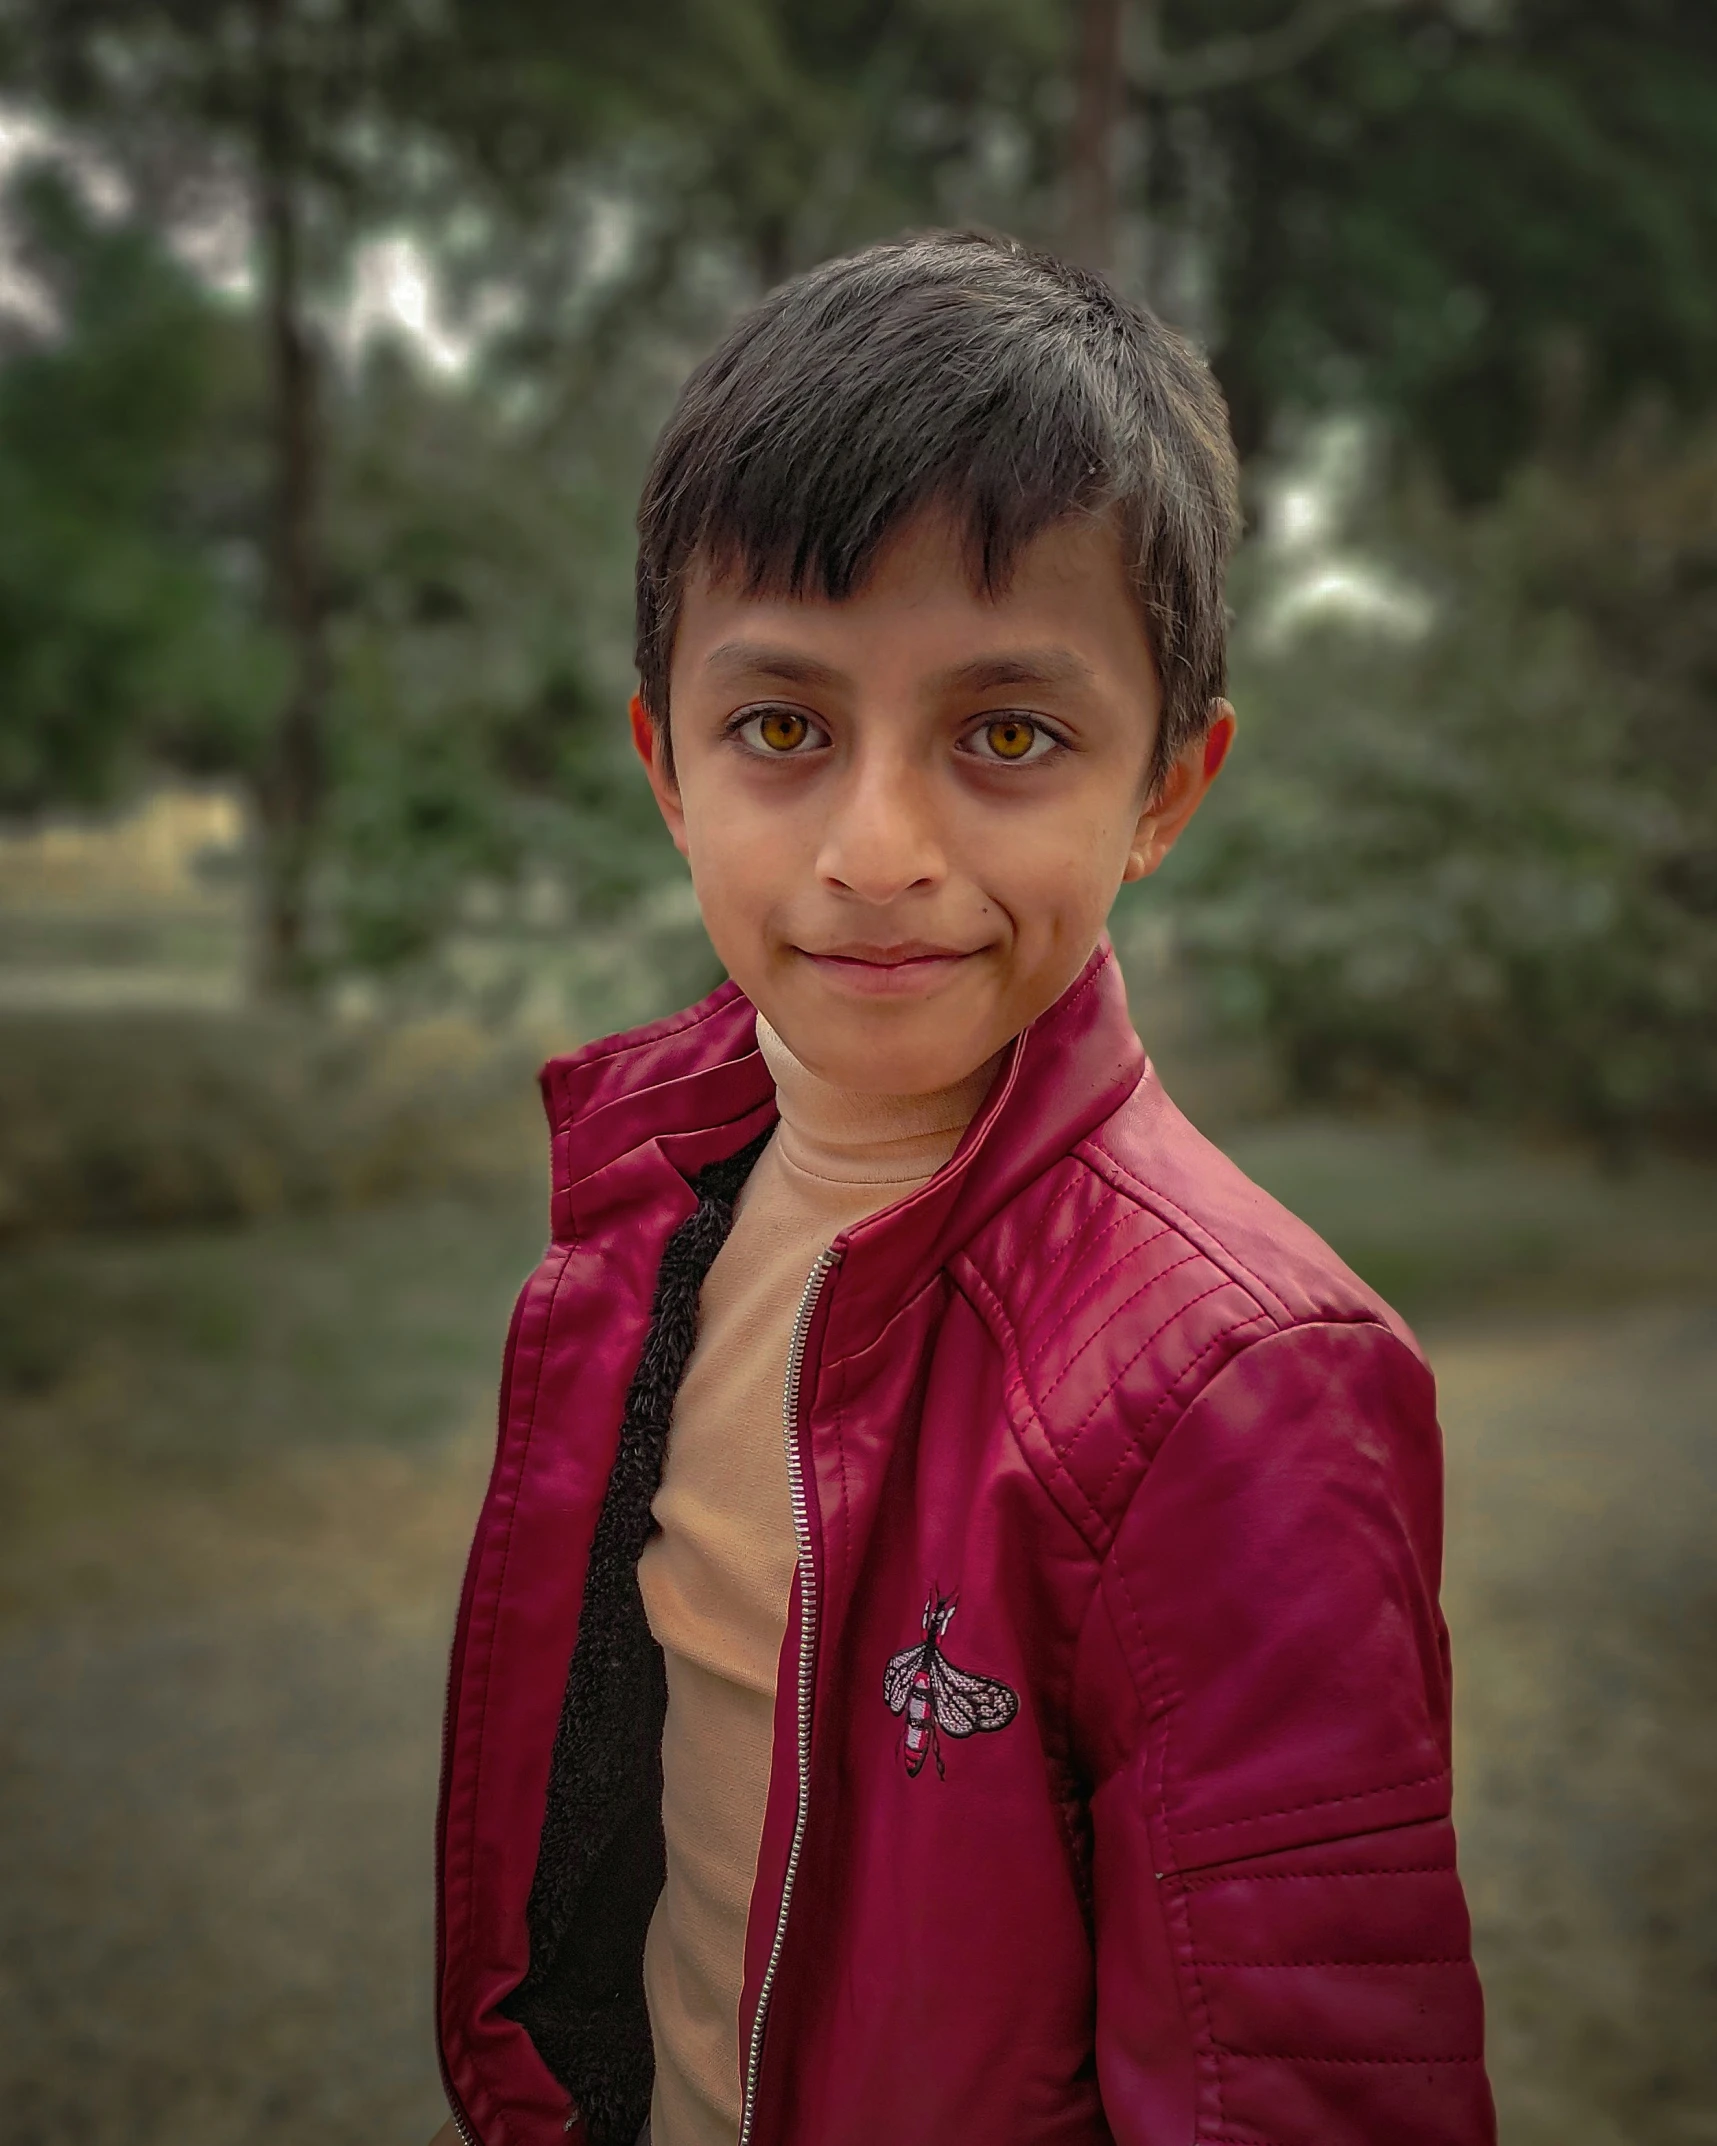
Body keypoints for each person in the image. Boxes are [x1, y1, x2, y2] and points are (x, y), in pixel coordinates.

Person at [429, 231, 1493, 2146]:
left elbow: (1308, 2087)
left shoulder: (1238, 1386)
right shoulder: (651, 1196)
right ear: (669, 766)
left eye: (1008, 733)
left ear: (1167, 786)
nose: (878, 848)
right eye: (785, 728)